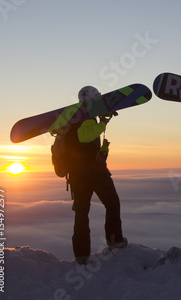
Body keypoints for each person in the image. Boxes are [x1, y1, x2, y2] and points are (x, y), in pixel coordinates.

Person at [60, 86, 127, 265]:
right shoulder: (84, 116)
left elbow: (83, 143)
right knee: (112, 203)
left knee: (81, 213)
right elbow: (84, 136)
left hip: (76, 175)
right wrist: (103, 123)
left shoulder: (72, 119)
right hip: (92, 173)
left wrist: (102, 148)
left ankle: (81, 255)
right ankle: (115, 240)